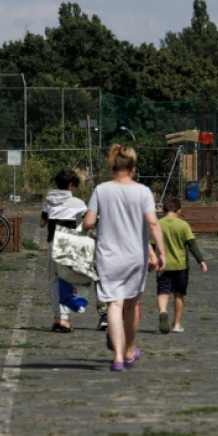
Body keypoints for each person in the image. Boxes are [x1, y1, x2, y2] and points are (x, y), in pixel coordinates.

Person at [83, 144, 166, 372]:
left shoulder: (101, 190)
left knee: (113, 303)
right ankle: (129, 350)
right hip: (134, 256)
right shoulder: (143, 192)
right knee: (131, 305)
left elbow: (88, 222)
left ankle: (117, 357)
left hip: (108, 256)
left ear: (112, 166)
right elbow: (152, 223)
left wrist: (100, 219)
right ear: (133, 168)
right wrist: (161, 252)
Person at [40, 169, 88, 333]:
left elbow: (41, 223)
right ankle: (65, 320)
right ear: (71, 184)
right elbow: (89, 221)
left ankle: (57, 318)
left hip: (52, 242)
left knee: (54, 281)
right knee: (67, 281)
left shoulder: (49, 200)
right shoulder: (78, 203)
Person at [155, 196, 207, 334]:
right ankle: (177, 324)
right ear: (179, 210)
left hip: (163, 265)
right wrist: (201, 261)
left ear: (163, 210)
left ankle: (163, 311)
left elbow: (152, 244)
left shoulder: (158, 224)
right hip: (181, 265)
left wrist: (151, 260)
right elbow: (191, 244)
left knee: (163, 291)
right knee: (179, 294)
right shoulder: (183, 225)